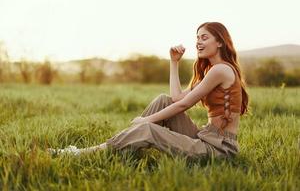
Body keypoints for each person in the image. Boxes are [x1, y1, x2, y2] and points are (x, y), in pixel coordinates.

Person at [48, 22, 249, 159]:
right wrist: (173, 63)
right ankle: (126, 148)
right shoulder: (213, 71)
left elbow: (184, 104)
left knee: (148, 128)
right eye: (197, 38)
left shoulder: (221, 70)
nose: (198, 42)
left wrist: (146, 120)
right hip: (205, 137)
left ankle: (85, 153)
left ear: (220, 42)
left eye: (204, 37)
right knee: (163, 100)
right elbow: (176, 97)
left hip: (218, 150)